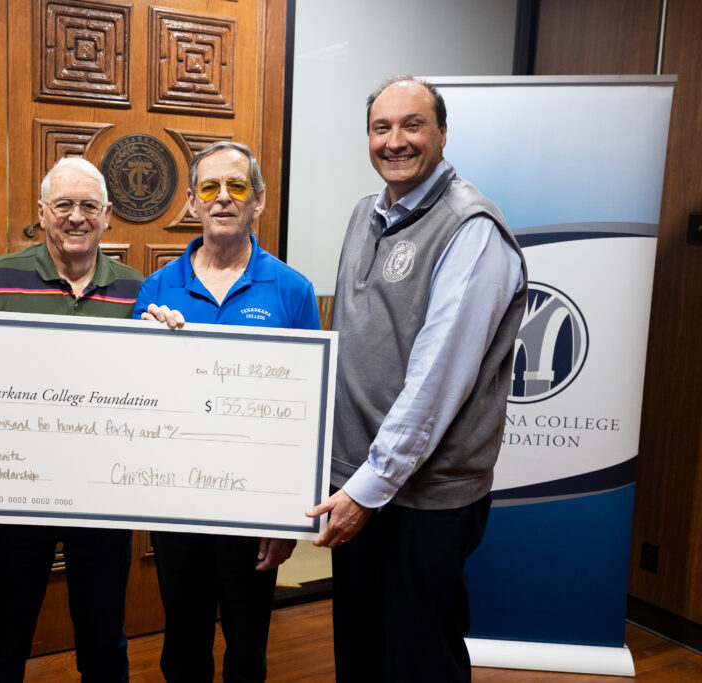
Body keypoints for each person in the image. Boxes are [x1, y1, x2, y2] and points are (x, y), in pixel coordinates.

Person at [305, 76, 528, 682]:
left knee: (418, 662)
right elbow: (351, 344)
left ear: (443, 133)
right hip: (361, 483)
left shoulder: (470, 228)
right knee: (361, 653)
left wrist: (367, 488)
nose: (395, 141)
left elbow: (438, 380)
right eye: (382, 127)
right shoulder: (366, 214)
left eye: (412, 125)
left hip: (421, 499)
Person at [136, 141, 320, 682]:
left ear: (257, 200)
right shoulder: (158, 287)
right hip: (176, 504)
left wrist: (288, 518)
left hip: (253, 509)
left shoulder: (291, 289)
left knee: (247, 647)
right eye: (209, 189)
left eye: (236, 187)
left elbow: (304, 410)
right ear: (192, 202)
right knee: (183, 644)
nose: (223, 199)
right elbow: (136, 398)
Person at [0, 157, 144, 682]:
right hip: (16, 494)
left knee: (103, 636)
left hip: (103, 496)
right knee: (3, 633)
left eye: (88, 205)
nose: (76, 217)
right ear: (41, 212)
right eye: (63, 205)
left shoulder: (140, 291)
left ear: (108, 214)